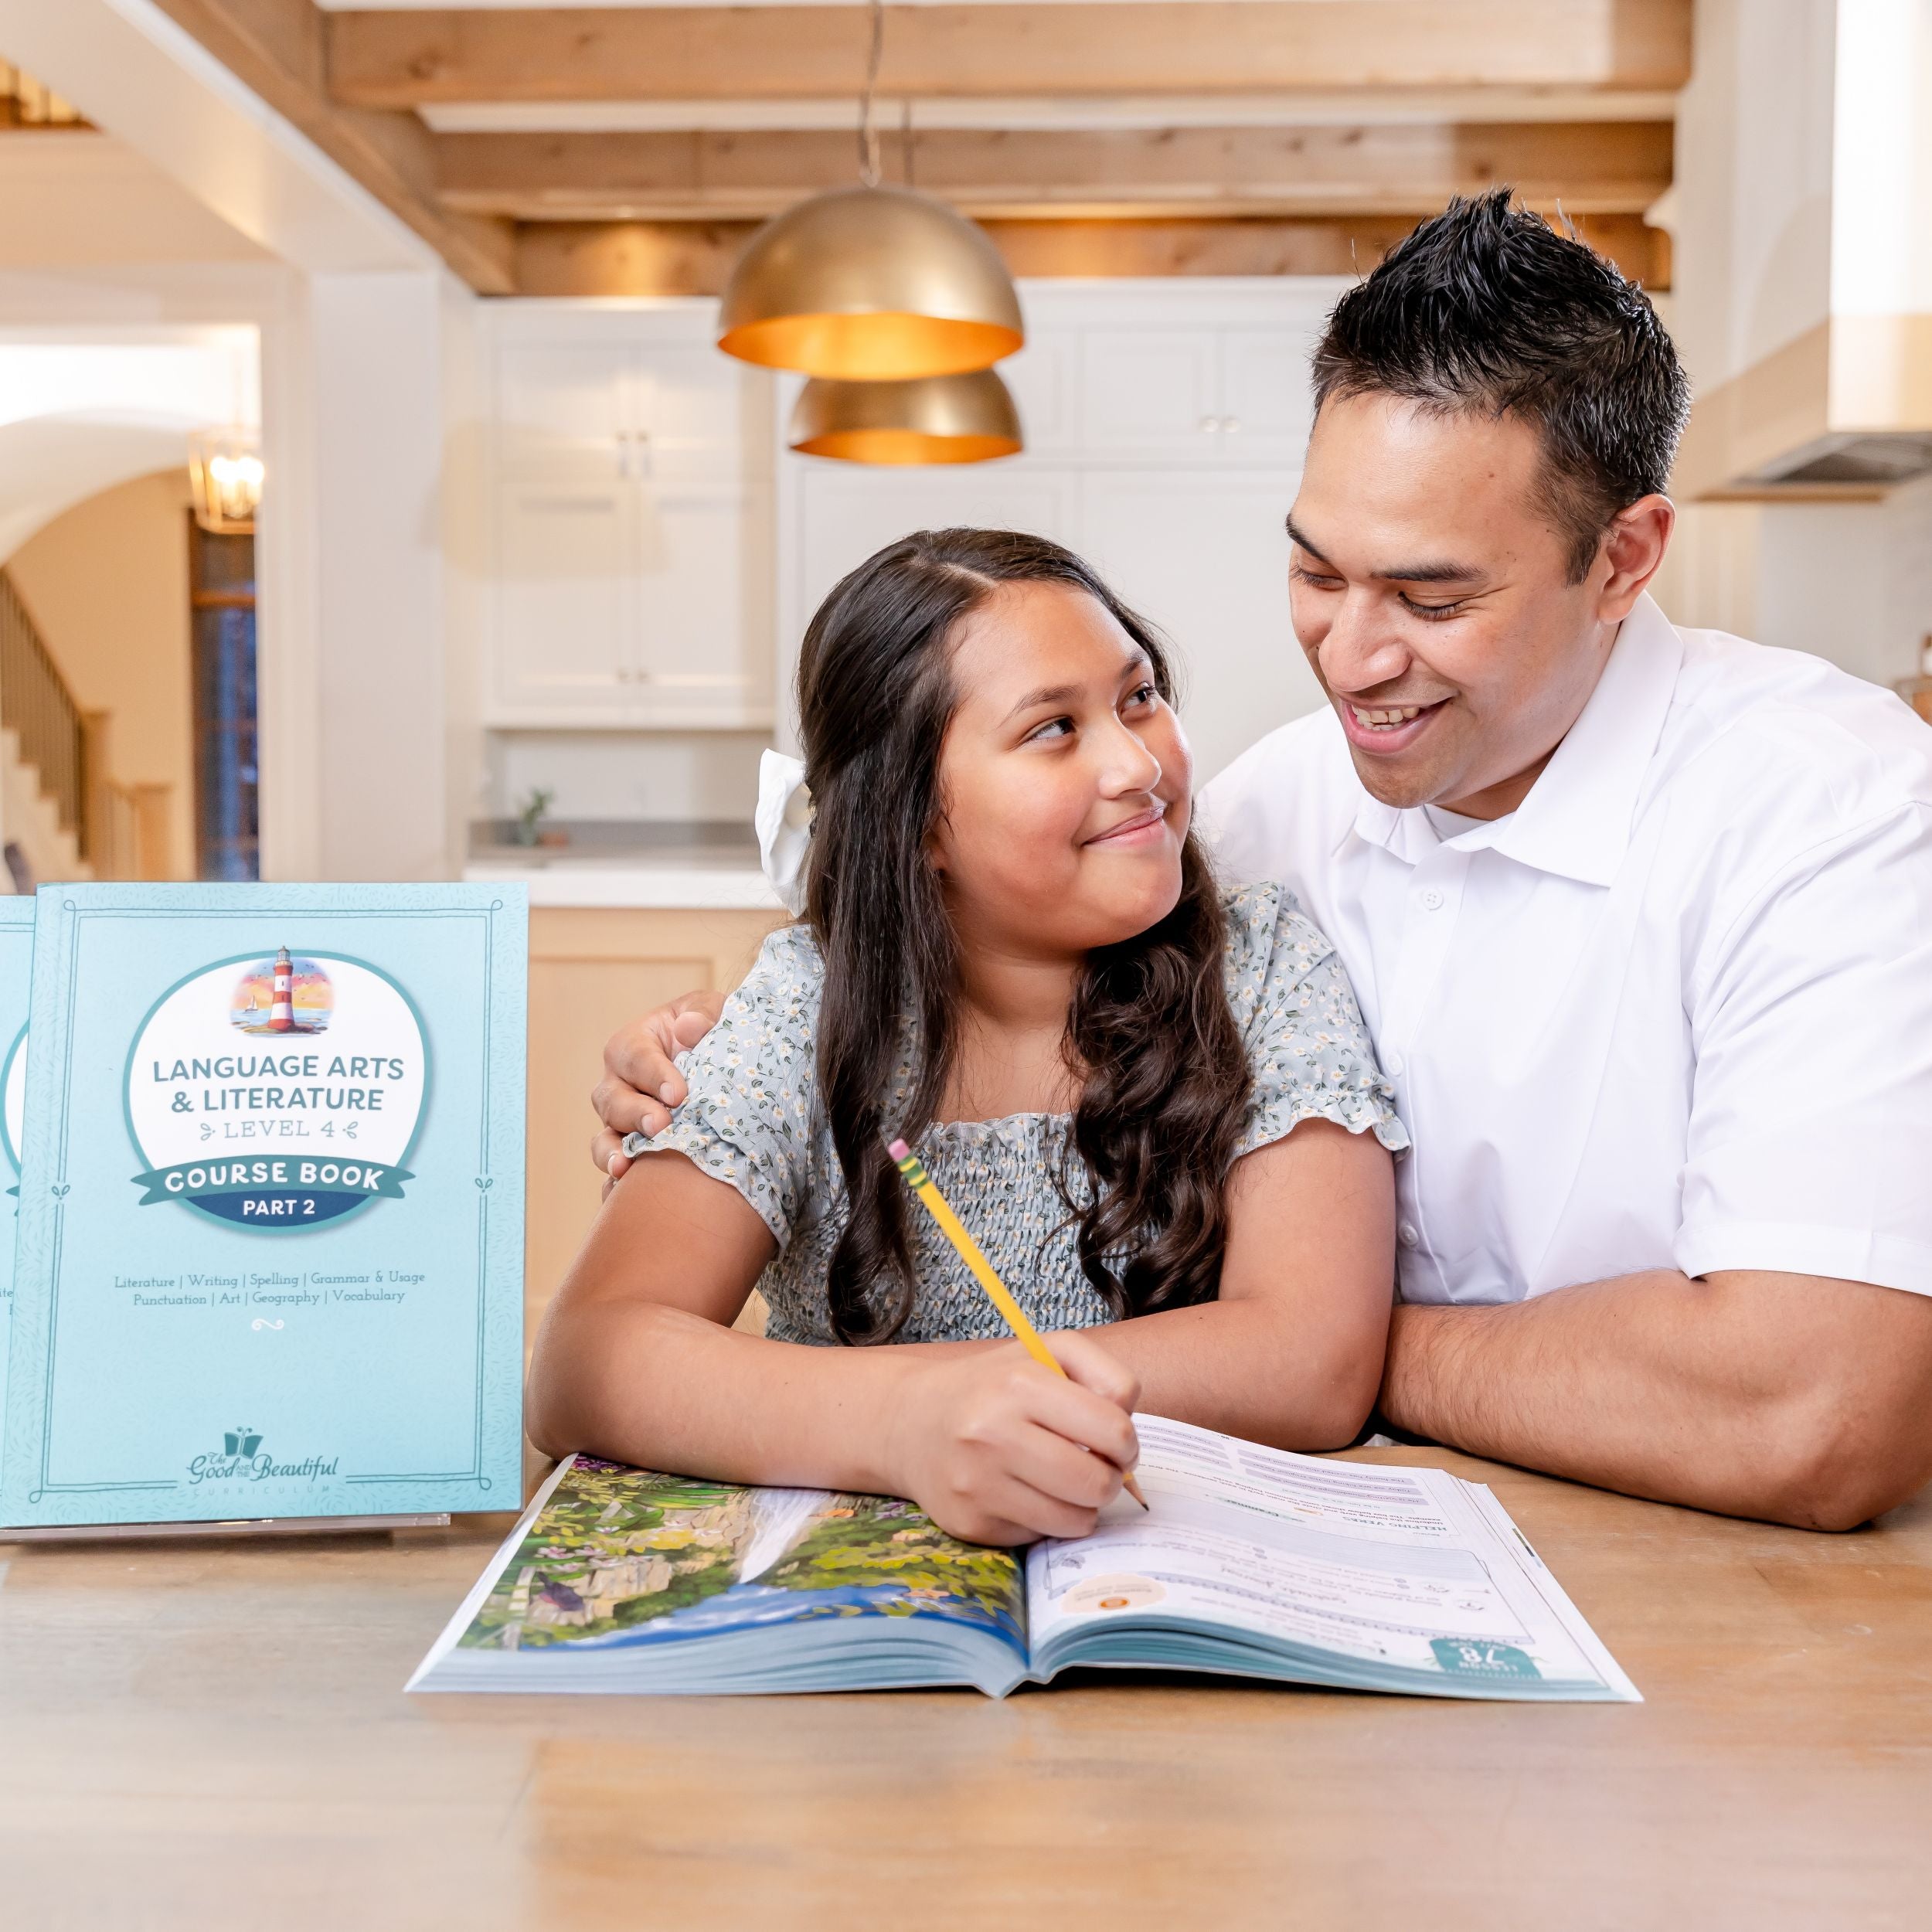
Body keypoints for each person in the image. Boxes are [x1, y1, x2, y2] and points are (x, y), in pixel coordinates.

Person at [594, 193, 1932, 1533]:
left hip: (1717, 1597)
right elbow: (990, 933)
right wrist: (706, 1076)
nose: (1352, 660)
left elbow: (1814, 1412)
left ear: (1623, 559)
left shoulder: (1830, 808)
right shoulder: (1264, 814)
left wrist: (1336, 1347)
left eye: (1434, 599)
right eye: (1315, 572)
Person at [529, 529, 1403, 1546]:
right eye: (1052, 730)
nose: (1137, 763)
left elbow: (1313, 1362)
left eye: (1138, 698)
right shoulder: (803, 1008)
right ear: (916, 823)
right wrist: (904, 1426)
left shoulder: (1262, 965)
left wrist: (935, 1398)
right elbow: (584, 1364)